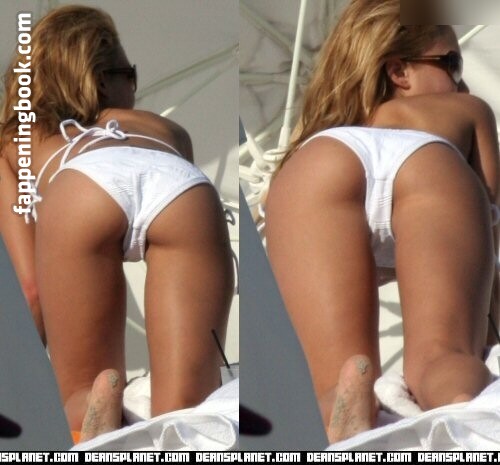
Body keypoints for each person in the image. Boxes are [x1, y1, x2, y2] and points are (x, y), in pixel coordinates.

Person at [265, 0, 499, 443]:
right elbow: (489, 230)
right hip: (429, 163)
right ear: (399, 71)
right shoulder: (466, 108)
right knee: (441, 357)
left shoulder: (327, 132)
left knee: (335, 374)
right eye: (451, 63)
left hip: (321, 164)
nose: (461, 80)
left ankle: (347, 409)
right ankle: (462, 417)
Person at [0, 5, 234, 442]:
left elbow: (30, 288)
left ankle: (100, 404)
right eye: (129, 74)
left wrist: (14, 382)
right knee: (187, 408)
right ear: (101, 80)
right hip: (180, 189)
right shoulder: (166, 129)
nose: (134, 87)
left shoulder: (16, 142)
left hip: (79, 185)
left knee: (83, 395)